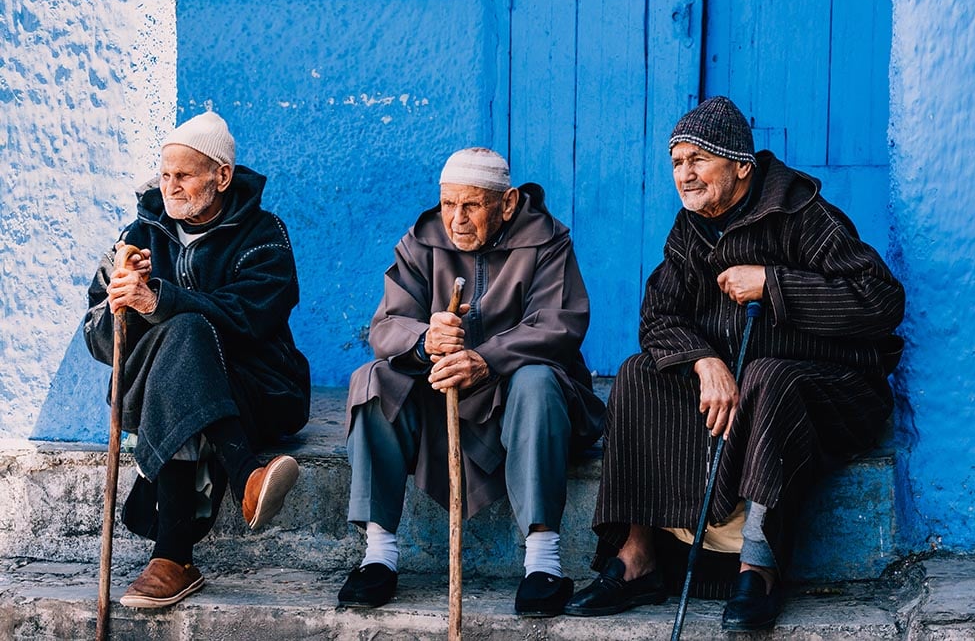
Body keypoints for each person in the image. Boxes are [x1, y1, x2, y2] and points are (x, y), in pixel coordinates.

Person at [564, 96, 905, 630]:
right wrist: (703, 362)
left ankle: (757, 569)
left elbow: (881, 300)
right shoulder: (691, 230)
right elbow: (658, 317)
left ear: (742, 165)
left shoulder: (802, 214)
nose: (685, 174)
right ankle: (636, 558)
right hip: (734, 381)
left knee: (768, 375)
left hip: (831, 388)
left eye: (698, 159)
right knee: (637, 373)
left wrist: (773, 283)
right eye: (677, 163)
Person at [337, 147, 605, 617]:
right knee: (373, 379)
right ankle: (378, 555)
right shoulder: (421, 243)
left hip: (515, 398)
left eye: (472, 206)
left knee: (537, 381)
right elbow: (386, 326)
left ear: (507, 203)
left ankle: (543, 562)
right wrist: (425, 340)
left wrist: (486, 359)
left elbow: (558, 323)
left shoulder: (547, 242)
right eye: (448, 205)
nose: (456, 220)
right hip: (443, 394)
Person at [83, 111, 311, 608]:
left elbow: (250, 317)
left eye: (184, 175)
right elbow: (96, 338)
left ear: (222, 177)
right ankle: (246, 472)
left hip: (256, 390)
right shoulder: (136, 236)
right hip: (158, 393)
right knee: (180, 337)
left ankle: (173, 559)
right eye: (166, 175)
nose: (171, 186)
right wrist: (125, 306)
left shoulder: (264, 234)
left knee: (185, 330)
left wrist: (158, 301)